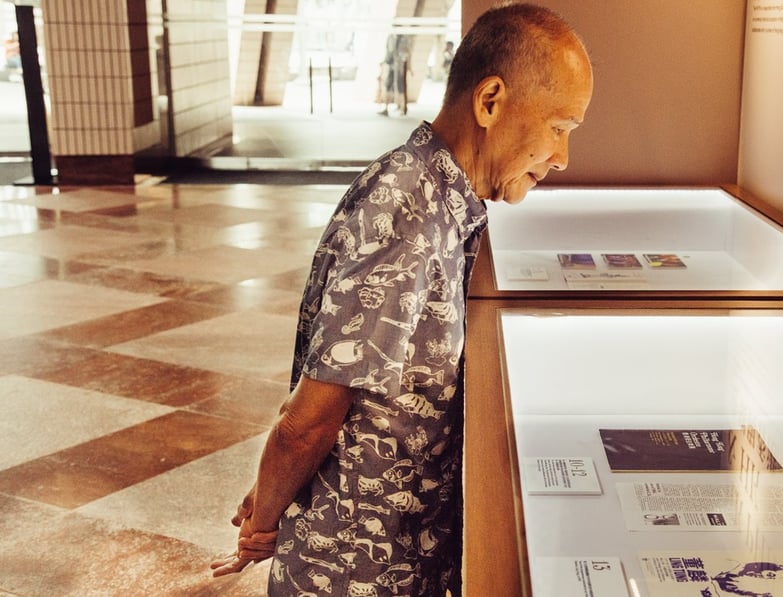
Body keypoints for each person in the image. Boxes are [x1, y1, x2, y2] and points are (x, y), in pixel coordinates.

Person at [209, 3, 593, 596]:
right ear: (490, 101)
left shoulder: (434, 193)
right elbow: (310, 418)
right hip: (350, 565)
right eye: (559, 129)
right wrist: (262, 526)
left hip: (401, 548)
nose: (562, 158)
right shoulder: (408, 214)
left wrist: (269, 492)